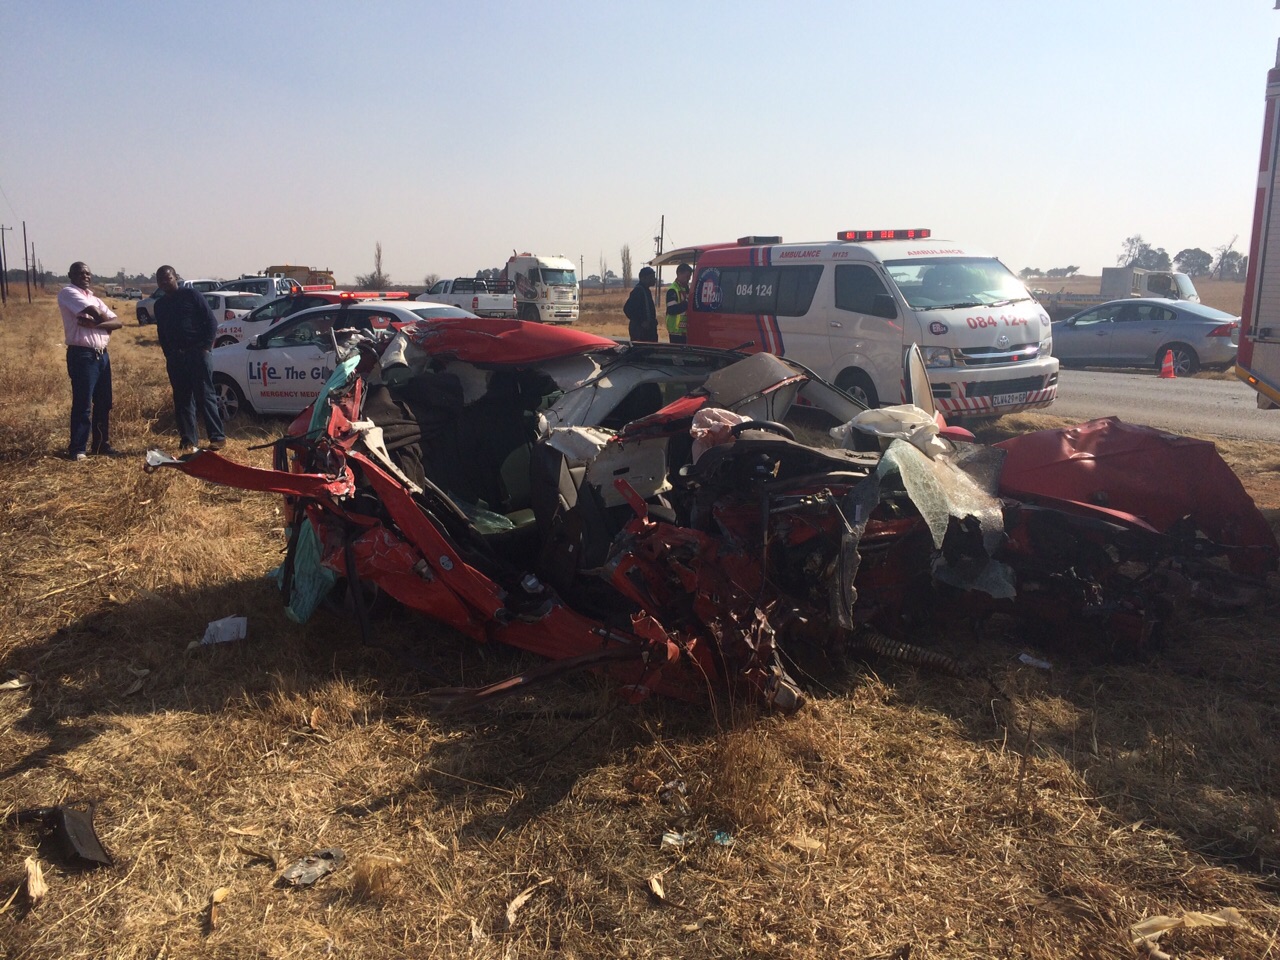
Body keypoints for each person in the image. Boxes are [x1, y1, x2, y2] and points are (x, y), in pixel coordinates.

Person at [153, 265, 224, 452]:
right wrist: (168, 353)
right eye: (160, 280)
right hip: (176, 357)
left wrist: (206, 348)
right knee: (182, 400)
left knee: (205, 396)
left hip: (198, 354)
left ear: (175, 277)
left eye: (167, 278)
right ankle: (188, 440)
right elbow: (161, 331)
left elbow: (211, 322)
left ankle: (217, 438)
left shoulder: (191, 295)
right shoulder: (159, 305)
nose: (164, 282)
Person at [58, 262, 123, 461]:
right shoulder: (68, 292)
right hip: (82, 355)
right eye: (80, 273)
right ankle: (78, 448)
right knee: (83, 403)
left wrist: (94, 325)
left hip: (102, 355)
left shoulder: (95, 298)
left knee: (104, 402)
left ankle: (101, 444)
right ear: (70, 275)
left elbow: (118, 322)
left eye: (87, 273)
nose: (85, 276)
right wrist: (104, 324)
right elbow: (96, 313)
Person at [624, 266, 658, 342]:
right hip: (640, 332)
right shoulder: (638, 291)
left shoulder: (646, 290)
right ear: (643, 278)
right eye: (651, 277)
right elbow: (627, 309)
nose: (654, 279)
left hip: (648, 331)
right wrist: (641, 322)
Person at [665, 263, 693, 344]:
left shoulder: (686, 288)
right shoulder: (673, 290)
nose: (689, 279)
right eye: (687, 276)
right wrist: (687, 302)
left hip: (685, 331)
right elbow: (672, 310)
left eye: (690, 276)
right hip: (675, 331)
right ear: (679, 273)